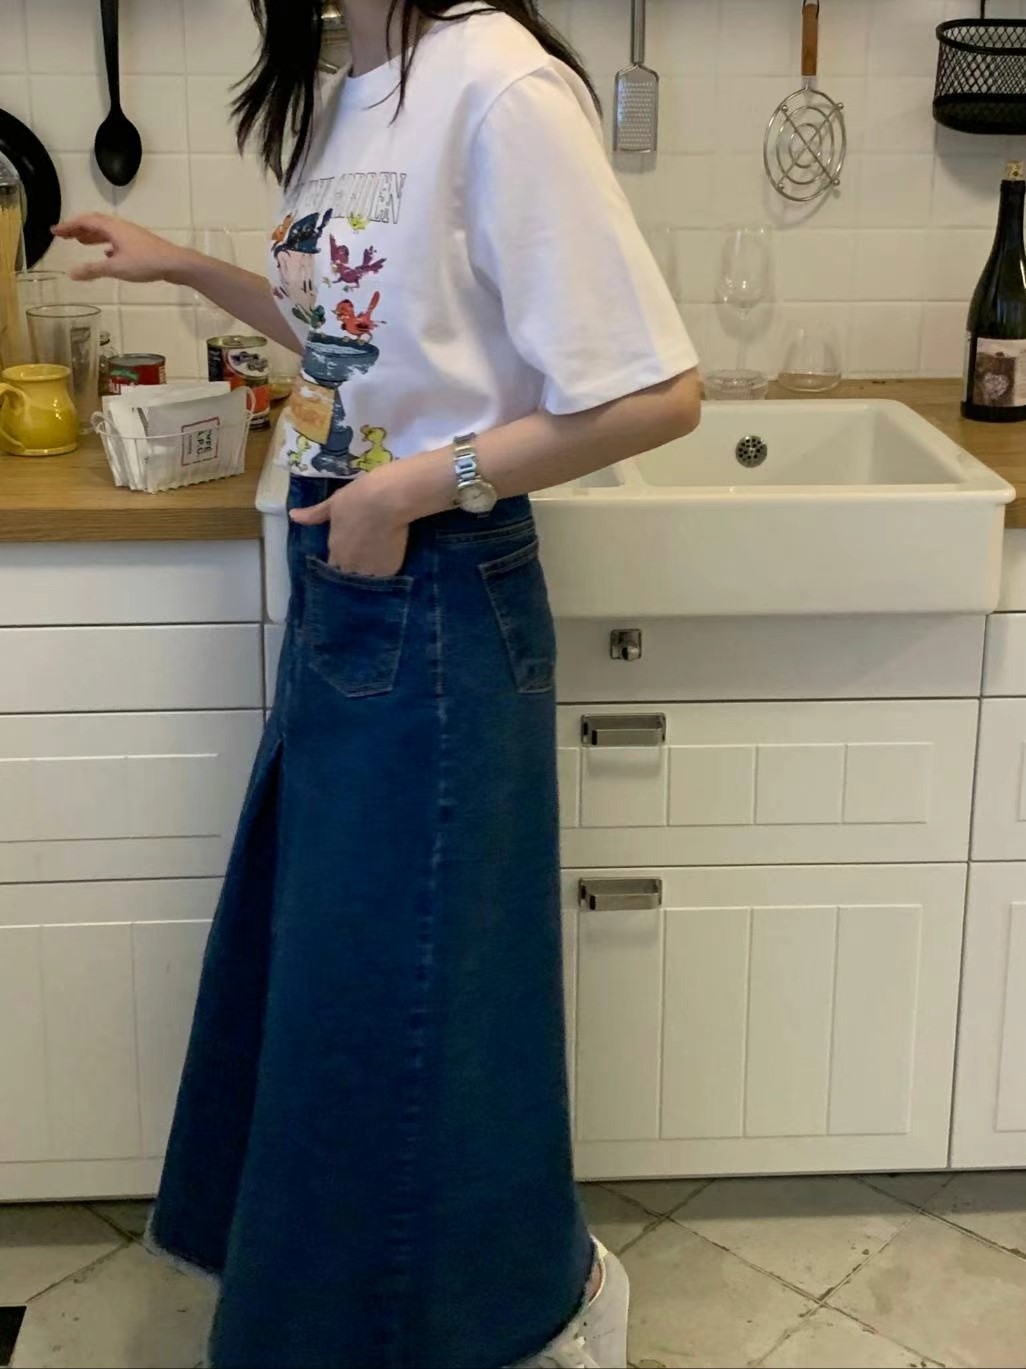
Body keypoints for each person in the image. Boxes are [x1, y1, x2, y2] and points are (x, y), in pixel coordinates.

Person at [55, 2, 700, 1366]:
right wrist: (185, 267)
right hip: (354, 586)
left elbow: (652, 394)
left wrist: (410, 489)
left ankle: (523, 1313)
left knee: (413, 999)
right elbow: (346, 341)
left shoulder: (502, 87)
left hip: (436, 591)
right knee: (345, 985)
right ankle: (455, 1306)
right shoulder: (360, 84)